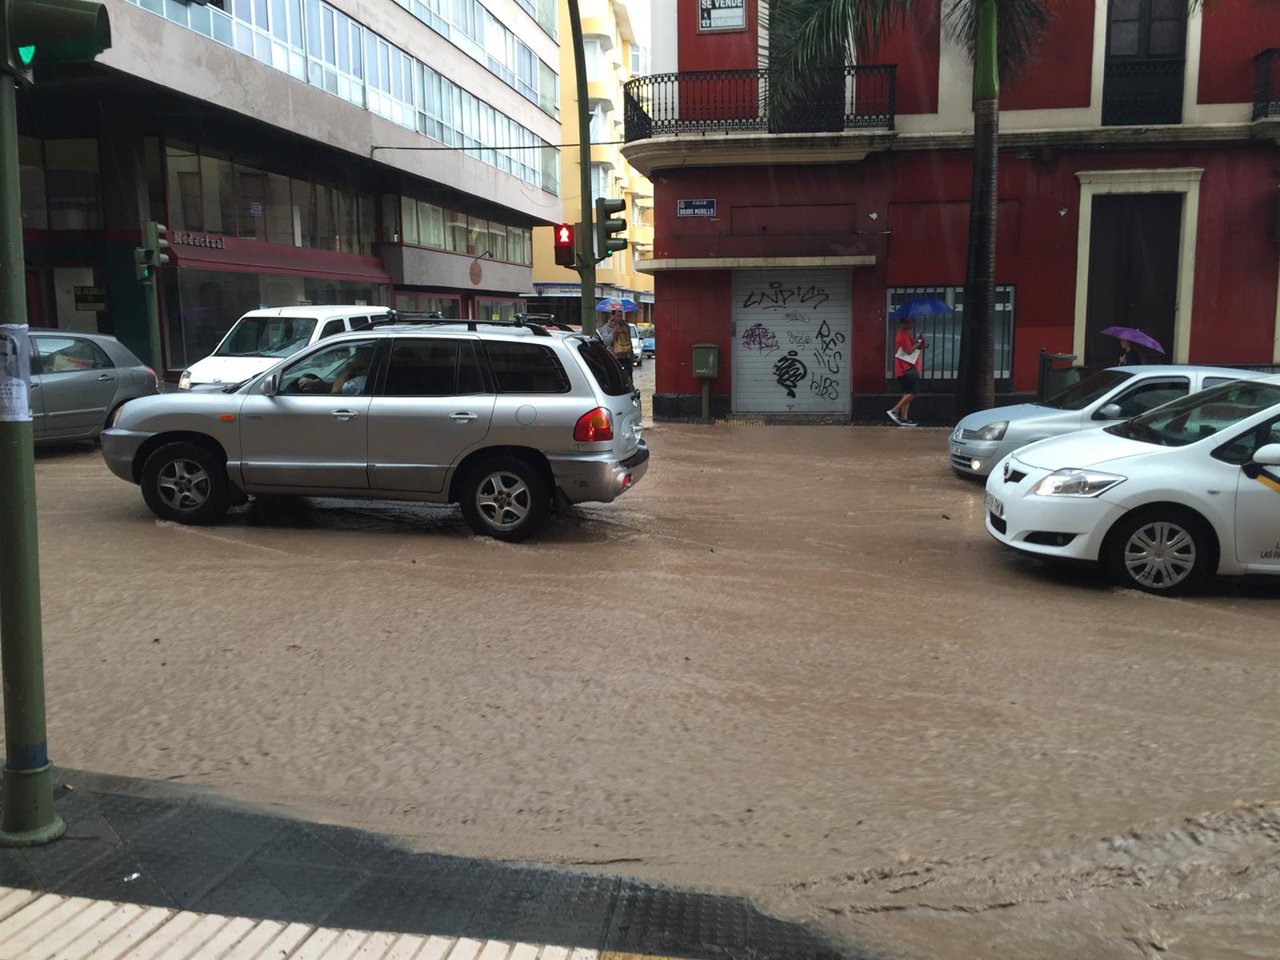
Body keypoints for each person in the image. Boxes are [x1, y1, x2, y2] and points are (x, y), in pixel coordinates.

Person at [887, 317, 926, 426]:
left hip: (909, 368)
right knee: (913, 392)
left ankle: (904, 418)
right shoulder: (902, 335)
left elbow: (917, 347)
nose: (912, 324)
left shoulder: (906, 334)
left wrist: (921, 340)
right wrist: (919, 341)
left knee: (907, 394)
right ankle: (895, 410)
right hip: (906, 368)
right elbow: (908, 351)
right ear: (904, 323)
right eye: (910, 322)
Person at [607, 310, 634, 377]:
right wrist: (614, 332)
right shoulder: (607, 328)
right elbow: (606, 342)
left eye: (621, 316)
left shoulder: (626, 326)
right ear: (612, 316)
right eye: (618, 316)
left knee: (628, 377)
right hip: (614, 358)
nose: (620, 318)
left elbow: (629, 341)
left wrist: (631, 356)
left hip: (625, 357)